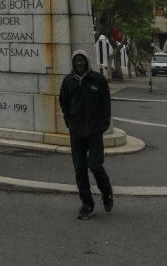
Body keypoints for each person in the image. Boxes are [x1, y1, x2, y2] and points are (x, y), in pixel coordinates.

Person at [59, 50, 114, 219]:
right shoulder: (68, 81)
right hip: (76, 131)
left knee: (95, 165)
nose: (79, 63)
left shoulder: (98, 80)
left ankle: (107, 192)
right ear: (73, 63)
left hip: (94, 131)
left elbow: (106, 103)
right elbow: (63, 102)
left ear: (87, 62)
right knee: (79, 169)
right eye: (76, 61)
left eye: (82, 60)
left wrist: (103, 125)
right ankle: (86, 204)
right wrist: (69, 121)